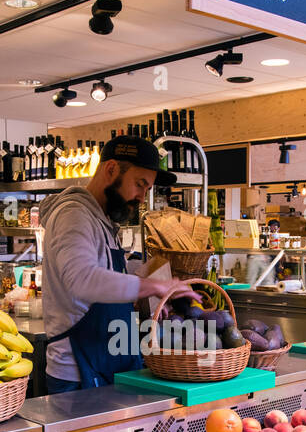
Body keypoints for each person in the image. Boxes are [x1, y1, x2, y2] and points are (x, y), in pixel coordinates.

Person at [42, 135, 198, 393]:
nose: (141, 197)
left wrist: (146, 290)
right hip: (79, 373)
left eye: (147, 189)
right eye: (139, 184)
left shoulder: (102, 219)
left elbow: (104, 278)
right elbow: (82, 279)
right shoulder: (74, 216)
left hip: (108, 360)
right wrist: (152, 286)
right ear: (111, 169)